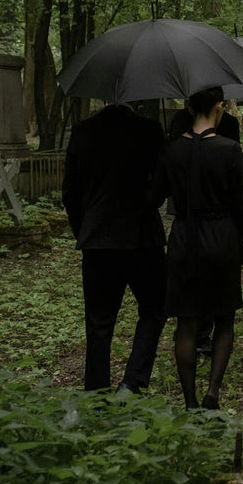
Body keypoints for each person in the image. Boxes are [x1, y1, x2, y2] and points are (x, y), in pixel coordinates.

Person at [153, 86, 243, 410]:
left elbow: (154, 197)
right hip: (221, 238)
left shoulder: (172, 150)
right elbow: (239, 205)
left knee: (186, 323)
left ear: (190, 107)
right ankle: (212, 393)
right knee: (224, 319)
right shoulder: (229, 149)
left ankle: (190, 402)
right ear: (219, 106)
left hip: (184, 238)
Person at [62, 103, 167, 394]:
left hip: (98, 239)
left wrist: (84, 230)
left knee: (99, 322)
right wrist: (145, 205)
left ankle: (97, 393)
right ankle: (132, 382)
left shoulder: (83, 131)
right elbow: (161, 186)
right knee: (155, 308)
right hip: (142, 237)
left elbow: (70, 192)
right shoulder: (149, 130)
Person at [167, 102, 243, 357]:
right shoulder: (182, 127)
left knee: (211, 303)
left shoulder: (227, 125)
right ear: (217, 106)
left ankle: (201, 336)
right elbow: (233, 186)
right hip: (208, 223)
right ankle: (199, 338)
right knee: (202, 310)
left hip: (196, 224)